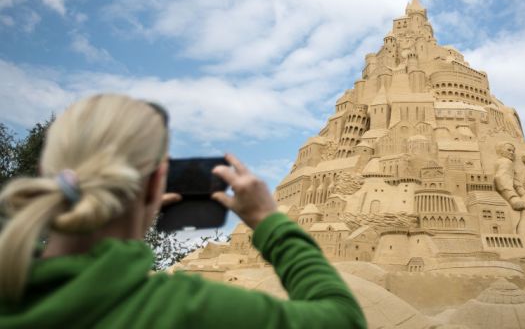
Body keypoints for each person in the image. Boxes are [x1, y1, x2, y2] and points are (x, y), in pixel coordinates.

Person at [0, 94, 366, 328]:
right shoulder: (182, 309)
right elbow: (342, 319)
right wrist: (269, 222)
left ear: (46, 174)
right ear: (158, 180)